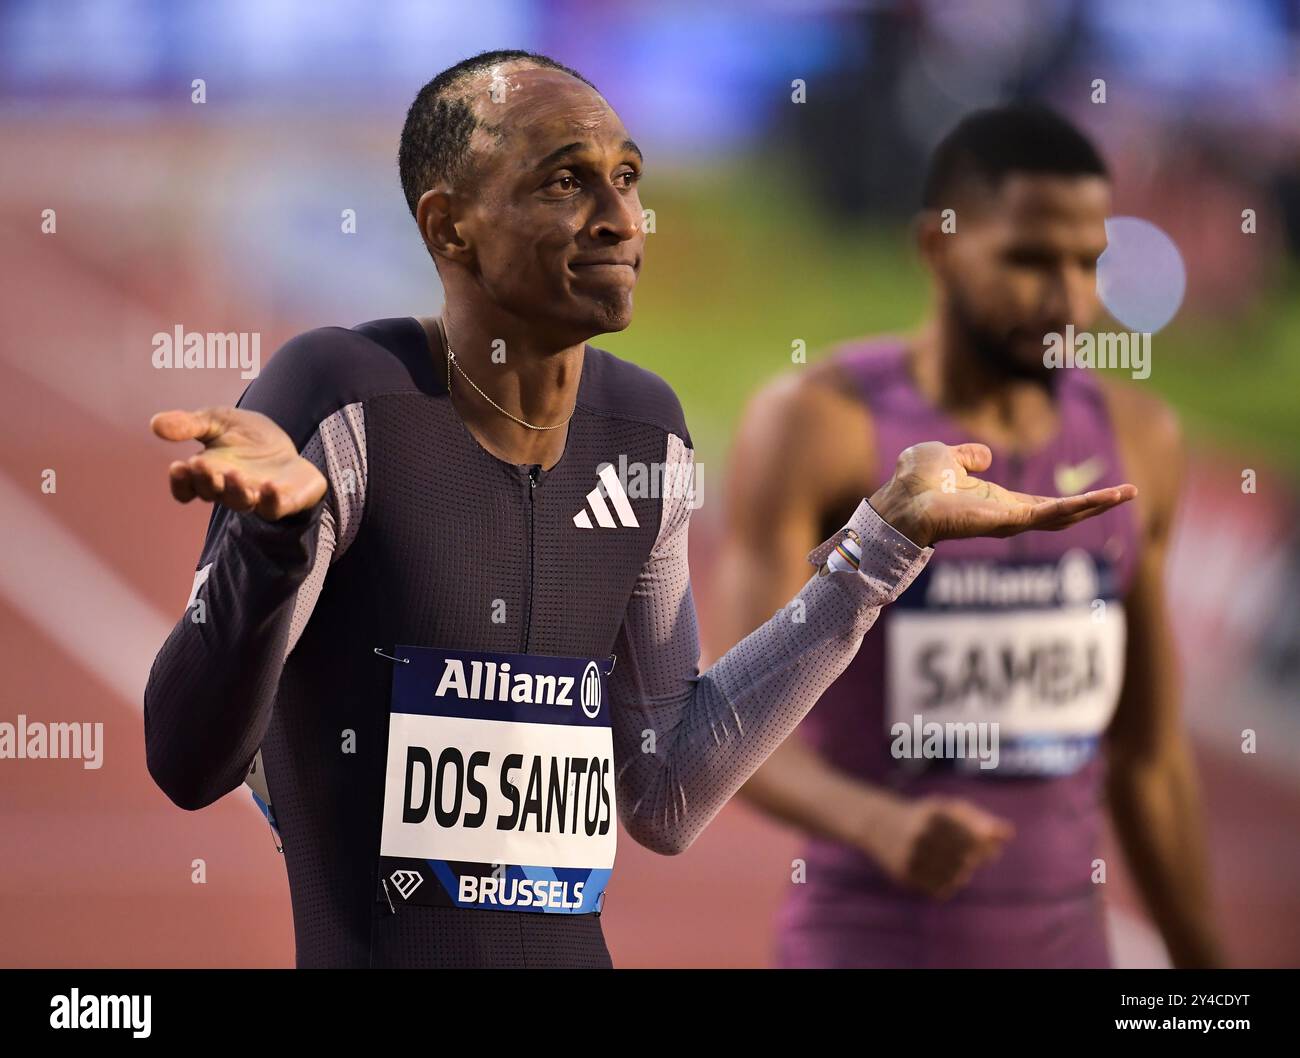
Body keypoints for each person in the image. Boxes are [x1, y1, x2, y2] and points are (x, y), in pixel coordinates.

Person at [143, 58, 1131, 969]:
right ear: (451, 226)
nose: (621, 217)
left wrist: (881, 546)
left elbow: (663, 787)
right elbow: (188, 759)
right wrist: (267, 549)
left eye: (629, 177)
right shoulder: (342, 396)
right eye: (566, 183)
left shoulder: (643, 430)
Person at [716, 105, 1221, 968]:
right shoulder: (817, 426)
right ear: (938, 245)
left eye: (1090, 262)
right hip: (866, 944)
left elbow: (1148, 756)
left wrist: (1210, 986)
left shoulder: (1142, 441)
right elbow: (732, 728)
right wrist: (880, 822)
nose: (1069, 299)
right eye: (1030, 260)